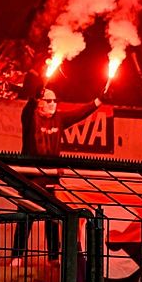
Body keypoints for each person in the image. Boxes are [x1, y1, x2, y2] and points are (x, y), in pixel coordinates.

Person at [12, 83, 104, 266]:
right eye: (48, 100)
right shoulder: (31, 117)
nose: (53, 103)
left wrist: (98, 101)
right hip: (31, 178)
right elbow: (27, 108)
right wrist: (32, 96)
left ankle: (53, 256)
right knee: (25, 216)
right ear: (40, 103)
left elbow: (80, 113)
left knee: (53, 218)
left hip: (51, 178)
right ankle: (17, 256)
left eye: (55, 100)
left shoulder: (59, 119)